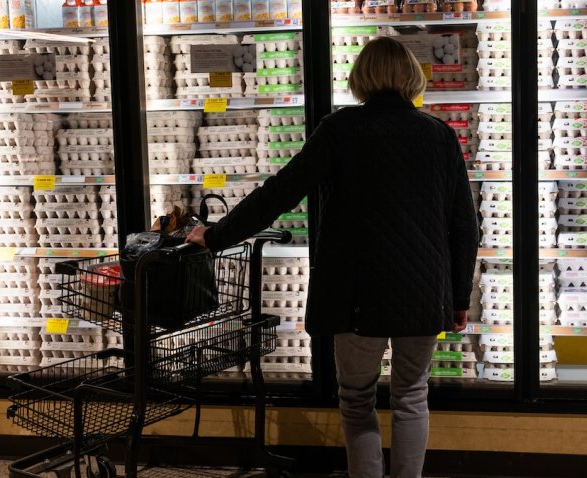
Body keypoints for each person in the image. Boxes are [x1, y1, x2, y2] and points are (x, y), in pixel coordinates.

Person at [186, 37, 477, 478]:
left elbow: (279, 192)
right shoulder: (439, 135)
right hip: (424, 291)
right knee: (412, 396)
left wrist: (217, 235)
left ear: (361, 77)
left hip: (355, 291)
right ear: (412, 78)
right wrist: (458, 296)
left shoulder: (340, 129)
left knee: (357, 398)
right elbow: (464, 226)